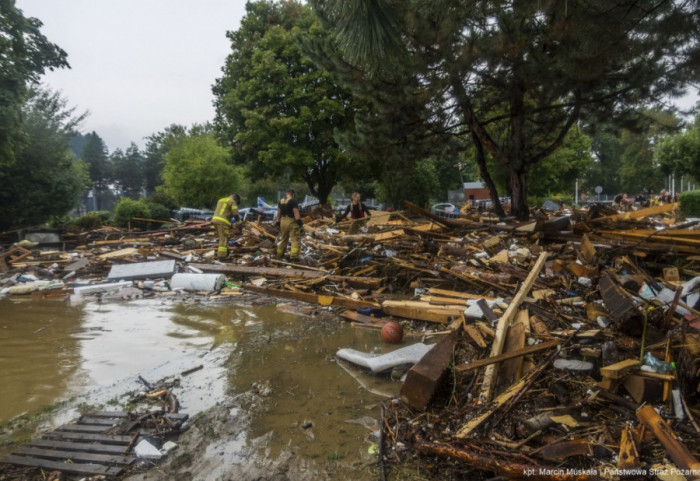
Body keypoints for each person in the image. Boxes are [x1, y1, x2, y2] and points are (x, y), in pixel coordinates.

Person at [211, 193, 241, 259]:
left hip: (215, 220)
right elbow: (235, 214)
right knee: (223, 239)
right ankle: (222, 256)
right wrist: (239, 222)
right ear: (236, 199)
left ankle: (226, 253)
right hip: (222, 222)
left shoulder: (221, 200)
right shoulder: (232, 201)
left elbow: (223, 211)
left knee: (224, 237)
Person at [276, 188, 302, 260]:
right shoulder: (293, 201)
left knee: (283, 239)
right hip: (291, 222)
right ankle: (294, 256)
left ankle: (279, 254)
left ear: (286, 194)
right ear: (293, 194)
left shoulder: (281, 201)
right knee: (295, 239)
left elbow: (278, 213)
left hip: (282, 222)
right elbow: (295, 212)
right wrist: (299, 222)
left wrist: (278, 222)